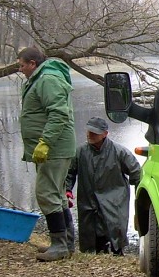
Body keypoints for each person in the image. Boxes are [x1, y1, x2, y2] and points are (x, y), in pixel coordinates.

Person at [17, 46, 76, 262]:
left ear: (33, 63)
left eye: (22, 65)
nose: (21, 69)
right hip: (52, 149)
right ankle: (66, 243)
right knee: (57, 194)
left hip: (54, 149)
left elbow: (59, 113)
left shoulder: (47, 80)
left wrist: (45, 142)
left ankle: (60, 245)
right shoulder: (41, 78)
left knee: (46, 193)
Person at [66, 117, 141, 255]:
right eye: (89, 132)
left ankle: (117, 252)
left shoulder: (119, 152)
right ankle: (98, 251)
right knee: (91, 231)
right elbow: (70, 173)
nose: (90, 135)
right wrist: (67, 190)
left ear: (105, 134)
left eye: (94, 133)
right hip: (88, 199)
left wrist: (139, 197)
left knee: (115, 227)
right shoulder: (80, 152)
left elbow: (136, 172)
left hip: (115, 199)